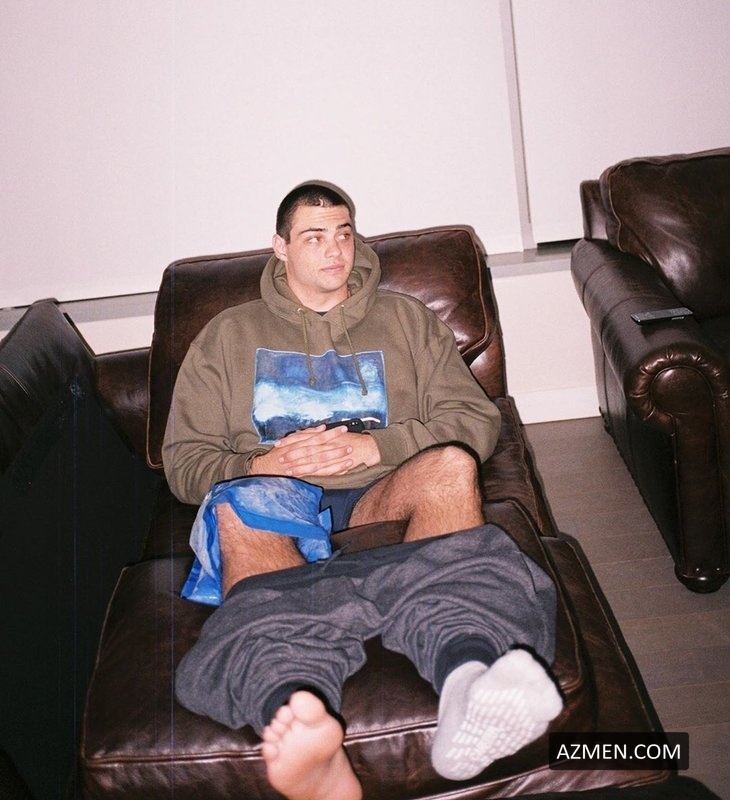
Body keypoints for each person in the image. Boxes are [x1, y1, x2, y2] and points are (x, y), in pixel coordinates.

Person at [164, 183, 562, 800]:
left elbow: (476, 420)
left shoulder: (406, 319)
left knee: (449, 466)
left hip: (381, 496)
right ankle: (298, 721)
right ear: (280, 247)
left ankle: (468, 679)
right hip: (278, 502)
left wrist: (377, 447)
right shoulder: (226, 336)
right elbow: (184, 463)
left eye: (344, 234)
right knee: (238, 506)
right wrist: (262, 462)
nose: (335, 250)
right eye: (314, 237)